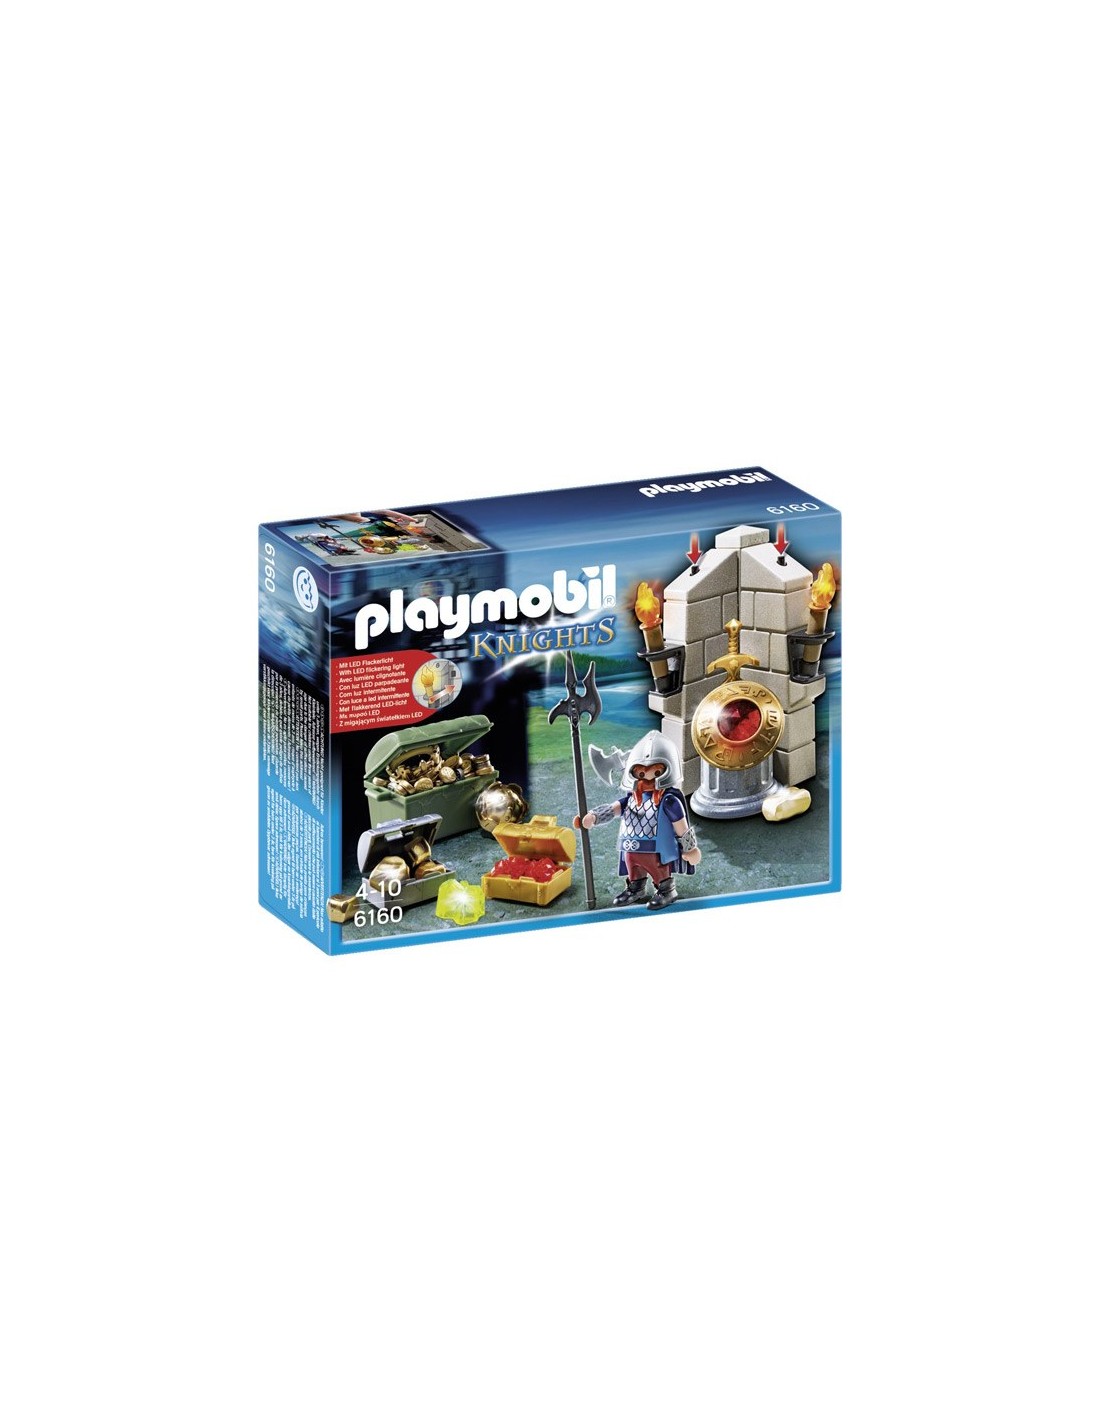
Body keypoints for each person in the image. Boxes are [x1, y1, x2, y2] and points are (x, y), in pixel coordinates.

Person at [575, 731, 701, 910]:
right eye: (642, 772)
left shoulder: (669, 801)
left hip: (657, 849)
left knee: (658, 868)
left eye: (656, 772)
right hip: (631, 845)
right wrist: (594, 817)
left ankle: (666, 890)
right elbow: (612, 809)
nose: (648, 778)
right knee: (632, 866)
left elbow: (682, 827)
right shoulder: (631, 799)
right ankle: (635, 888)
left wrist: (690, 848)